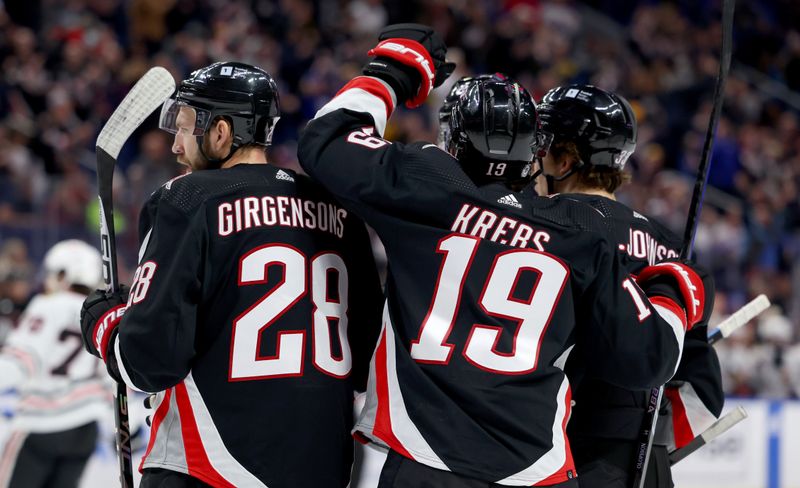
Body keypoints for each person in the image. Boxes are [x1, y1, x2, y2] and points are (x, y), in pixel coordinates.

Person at [298, 24, 712, 487]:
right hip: (538, 472)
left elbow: (325, 139)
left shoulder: (425, 186)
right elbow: (649, 360)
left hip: (425, 462)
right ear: (534, 153)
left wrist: (394, 69)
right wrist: (673, 291)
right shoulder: (576, 234)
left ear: (452, 141)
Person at [79, 61, 383, 488]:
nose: (175, 147)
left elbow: (146, 361)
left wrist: (104, 324)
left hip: (210, 465)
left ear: (220, 133)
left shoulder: (186, 199)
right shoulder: (339, 212)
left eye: (184, 130)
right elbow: (367, 353)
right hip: (322, 466)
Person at [534, 83, 724, 488]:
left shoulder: (546, 225)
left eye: (546, 145)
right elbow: (701, 383)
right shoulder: (668, 244)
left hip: (560, 449)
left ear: (567, 158)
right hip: (643, 456)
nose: (538, 155)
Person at [0, 239, 112, 488]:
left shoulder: (48, 305)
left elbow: (22, 362)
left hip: (41, 423)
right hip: (86, 428)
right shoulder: (103, 313)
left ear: (63, 274)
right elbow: (114, 376)